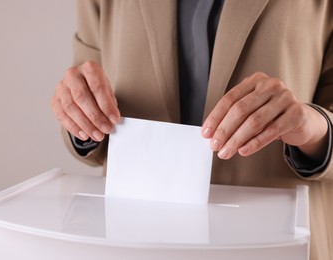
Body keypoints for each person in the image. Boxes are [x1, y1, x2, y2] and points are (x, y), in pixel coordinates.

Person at [51, 0, 333, 258]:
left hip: (273, 243)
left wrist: (312, 125)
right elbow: (86, 86)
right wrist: (80, 112)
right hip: (131, 240)